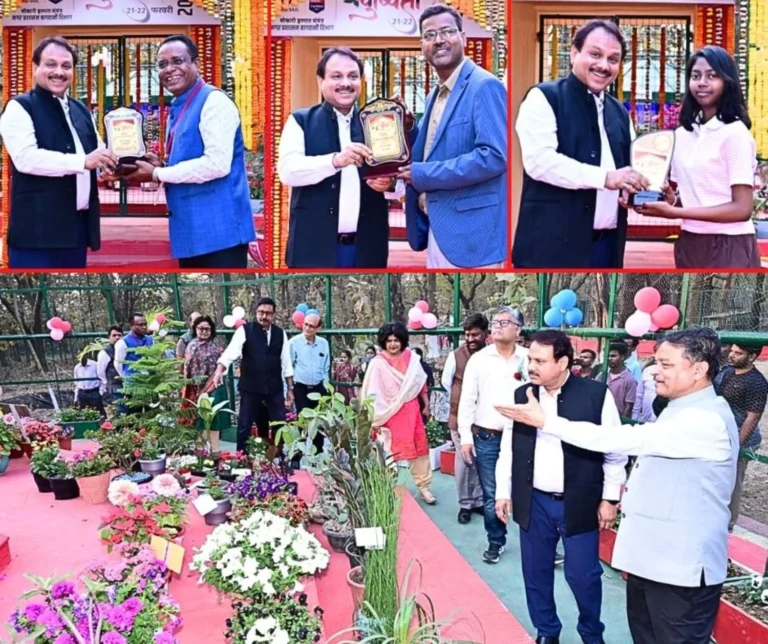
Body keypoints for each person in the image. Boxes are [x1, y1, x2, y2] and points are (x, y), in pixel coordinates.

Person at [501, 328, 738, 644]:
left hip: (681, 570)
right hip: (655, 563)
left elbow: (619, 441)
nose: (654, 372)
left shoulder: (706, 420)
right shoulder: (681, 410)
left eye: (666, 365)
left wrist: (547, 422)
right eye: (656, 362)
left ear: (698, 369)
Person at [495, 330, 626, 644]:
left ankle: (592, 634)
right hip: (534, 501)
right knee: (536, 573)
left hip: (579, 501)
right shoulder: (522, 395)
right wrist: (503, 490)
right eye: (530, 359)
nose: (532, 366)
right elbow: (509, 448)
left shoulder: (596, 395)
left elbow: (615, 450)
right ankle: (547, 631)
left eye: (540, 360)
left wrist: (610, 497)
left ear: (564, 362)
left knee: (584, 576)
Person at [513, 19, 649, 268]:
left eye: (613, 59)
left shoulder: (619, 112)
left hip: (608, 246)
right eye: (595, 54)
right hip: (551, 248)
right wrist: (606, 178)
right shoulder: (544, 97)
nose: (603, 65)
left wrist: (639, 189)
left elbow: (628, 170)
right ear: (575, 52)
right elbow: (539, 162)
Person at [124, 35, 255, 269]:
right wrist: (162, 165)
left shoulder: (213, 102)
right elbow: (191, 158)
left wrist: (157, 174)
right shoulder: (183, 104)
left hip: (220, 234)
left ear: (196, 64)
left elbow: (217, 164)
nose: (170, 69)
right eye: (162, 65)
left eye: (178, 61)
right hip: (192, 233)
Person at [399, 4, 507, 269]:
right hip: (440, 225)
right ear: (422, 45)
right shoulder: (436, 93)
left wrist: (422, 174)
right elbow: (437, 149)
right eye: (429, 35)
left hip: (472, 235)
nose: (438, 40)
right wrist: (410, 127)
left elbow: (493, 157)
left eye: (447, 31)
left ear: (463, 38)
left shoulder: (484, 86)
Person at [633, 46, 759, 268]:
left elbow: (742, 209)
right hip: (689, 240)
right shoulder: (683, 134)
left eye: (712, 76)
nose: (702, 83)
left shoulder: (734, 134)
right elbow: (695, 198)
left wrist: (676, 212)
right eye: (695, 76)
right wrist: (670, 199)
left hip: (729, 244)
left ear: (727, 82)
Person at [278, 47, 404, 268]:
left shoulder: (376, 122)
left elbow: (401, 179)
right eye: (336, 76)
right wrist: (335, 160)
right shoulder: (301, 121)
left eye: (352, 76)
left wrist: (390, 183)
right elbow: (288, 172)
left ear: (360, 81)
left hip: (367, 248)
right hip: (312, 247)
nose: (345, 83)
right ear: (320, 80)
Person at [0, 36, 118, 268]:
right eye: (50, 64)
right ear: (36, 67)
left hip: (77, 229)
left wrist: (110, 167)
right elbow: (26, 159)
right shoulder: (20, 106)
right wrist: (83, 162)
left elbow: (97, 151)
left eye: (66, 66)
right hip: (37, 233)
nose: (59, 72)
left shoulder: (80, 110)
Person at [458, 307, 528, 563]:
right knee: (491, 492)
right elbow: (467, 400)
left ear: (518, 329)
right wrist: (466, 437)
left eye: (505, 322)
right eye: (495, 322)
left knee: (528, 491)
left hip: (523, 436)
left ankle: (539, 545)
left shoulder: (529, 359)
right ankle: (495, 541)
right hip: (487, 437)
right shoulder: (479, 359)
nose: (497, 326)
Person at [360, 322, 435, 504]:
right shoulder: (377, 363)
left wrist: (426, 405)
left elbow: (420, 385)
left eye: (396, 340)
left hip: (411, 410)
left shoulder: (412, 358)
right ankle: (387, 486)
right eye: (389, 340)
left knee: (419, 449)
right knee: (387, 449)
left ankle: (423, 487)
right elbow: (371, 390)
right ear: (383, 342)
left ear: (403, 341)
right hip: (388, 413)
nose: (393, 344)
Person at [213, 297, 294, 453]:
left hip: (274, 388)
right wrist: (218, 372)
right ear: (256, 313)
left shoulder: (280, 333)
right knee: (245, 424)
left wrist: (290, 388)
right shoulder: (245, 330)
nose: (264, 316)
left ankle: (277, 458)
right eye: (261, 312)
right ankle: (240, 458)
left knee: (280, 424)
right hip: (250, 386)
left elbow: (286, 363)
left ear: (274, 314)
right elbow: (230, 353)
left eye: (268, 313)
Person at [715, 343, 767, 531]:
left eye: (738, 353)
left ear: (752, 356)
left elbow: (752, 417)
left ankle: (728, 525)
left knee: (733, 480)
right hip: (721, 434)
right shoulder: (727, 372)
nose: (732, 355)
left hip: (742, 438)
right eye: (732, 351)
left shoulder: (756, 382)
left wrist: (736, 445)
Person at [441, 313, 487, 524]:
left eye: (475, 334)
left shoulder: (492, 355)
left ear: (485, 334)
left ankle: (477, 501)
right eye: (467, 335)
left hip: (486, 419)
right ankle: (465, 504)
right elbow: (445, 382)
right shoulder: (455, 355)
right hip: (460, 417)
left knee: (480, 460)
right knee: (464, 460)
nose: (470, 339)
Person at [181, 315, 227, 453]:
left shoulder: (216, 348)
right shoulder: (191, 345)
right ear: (195, 329)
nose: (204, 331)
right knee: (196, 419)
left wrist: (207, 388)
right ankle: (200, 450)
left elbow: (222, 367)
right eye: (201, 328)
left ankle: (214, 450)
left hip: (212, 387)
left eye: (207, 329)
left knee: (212, 418)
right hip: (193, 388)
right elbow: (186, 368)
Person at [289, 313, 330, 453]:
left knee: (318, 422)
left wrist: (326, 388)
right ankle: (297, 456)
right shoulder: (294, 343)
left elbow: (326, 367)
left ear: (318, 328)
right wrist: (288, 390)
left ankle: (318, 454)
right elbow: (288, 367)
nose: (307, 328)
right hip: (300, 387)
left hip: (319, 388)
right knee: (301, 421)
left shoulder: (323, 344)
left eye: (311, 326)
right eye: (305, 324)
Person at [603, 340, 638, 419]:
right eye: (607, 356)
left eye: (613, 356)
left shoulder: (630, 380)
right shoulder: (602, 375)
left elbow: (628, 407)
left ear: (622, 357)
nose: (609, 358)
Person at [114, 314, 154, 381]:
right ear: (131, 326)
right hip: (133, 381)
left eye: (145, 324)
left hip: (150, 380)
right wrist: (126, 377)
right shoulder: (123, 343)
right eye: (140, 325)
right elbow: (118, 364)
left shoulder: (151, 340)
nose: (144, 327)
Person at [96, 325, 123, 406]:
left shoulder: (127, 350)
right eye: (114, 335)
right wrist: (106, 385)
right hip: (114, 389)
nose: (117, 337)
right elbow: (101, 372)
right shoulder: (105, 353)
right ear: (109, 337)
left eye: (119, 335)